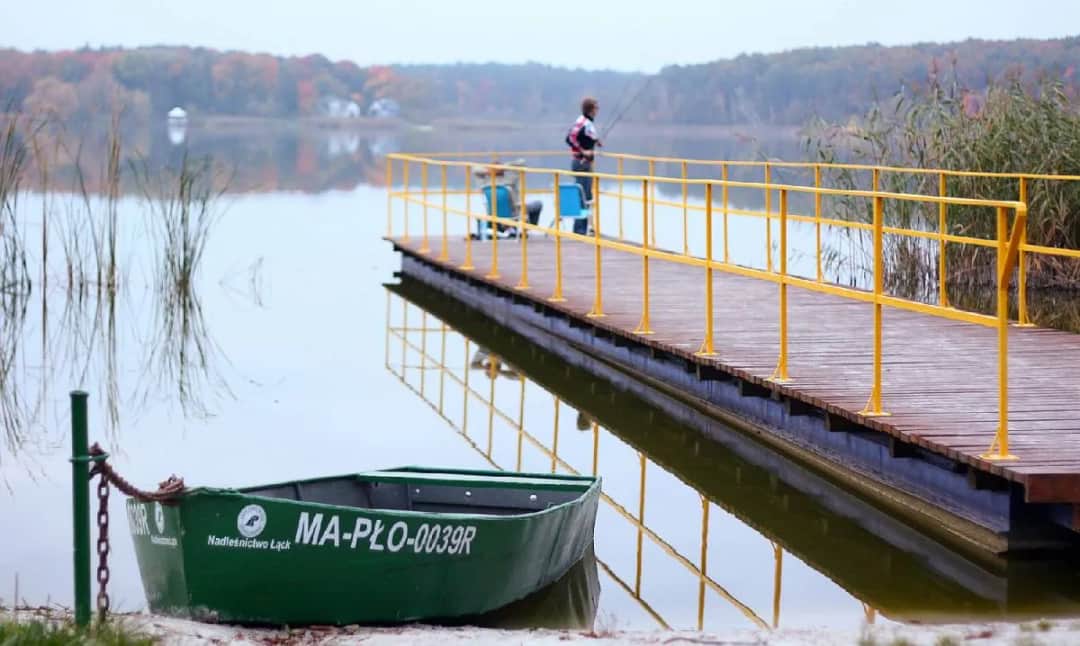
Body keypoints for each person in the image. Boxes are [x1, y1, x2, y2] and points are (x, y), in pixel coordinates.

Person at [565, 97, 601, 234]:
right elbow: (570, 138)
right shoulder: (584, 122)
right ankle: (579, 230)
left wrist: (595, 141)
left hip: (584, 163)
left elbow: (583, 137)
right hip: (581, 163)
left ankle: (583, 228)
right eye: (596, 108)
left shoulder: (586, 122)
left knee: (586, 195)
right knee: (583, 196)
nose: (598, 110)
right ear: (591, 109)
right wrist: (583, 151)